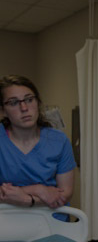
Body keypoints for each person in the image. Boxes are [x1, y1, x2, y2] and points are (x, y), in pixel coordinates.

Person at [0, 75, 75, 210]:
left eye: (29, 99)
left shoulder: (59, 141)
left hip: (52, 220)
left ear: (38, 102)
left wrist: (27, 199)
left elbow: (66, 193)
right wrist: (37, 189)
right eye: (13, 102)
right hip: (7, 221)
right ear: (2, 111)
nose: (24, 108)